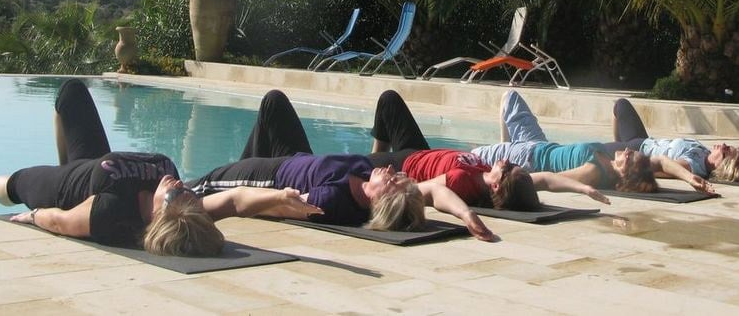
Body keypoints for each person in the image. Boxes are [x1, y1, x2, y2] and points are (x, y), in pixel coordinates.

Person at [0, 79, 234, 256]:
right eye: (188, 192)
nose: (178, 185)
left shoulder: (110, 213)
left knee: (2, 187)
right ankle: (65, 161)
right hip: (95, 163)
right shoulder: (172, 189)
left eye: (175, 195)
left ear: (156, 216)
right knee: (72, 90)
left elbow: (60, 221)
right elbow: (235, 201)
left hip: (64, 186)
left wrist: (33, 217)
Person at [185, 90, 495, 241]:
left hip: (268, 177)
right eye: (397, 175)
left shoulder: (329, 201)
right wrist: (467, 214)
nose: (391, 171)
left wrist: (269, 194)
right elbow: (436, 193)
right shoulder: (367, 181)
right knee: (274, 101)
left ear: (379, 200)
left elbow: (275, 204)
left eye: (392, 181)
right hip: (297, 158)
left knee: (193, 190)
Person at [367, 90, 609, 210]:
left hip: (405, 165)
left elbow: (426, 190)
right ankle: (375, 156)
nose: (506, 161)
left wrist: (466, 215)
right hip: (420, 152)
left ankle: (372, 164)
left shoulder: (464, 183)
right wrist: (584, 188)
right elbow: (545, 179)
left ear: (496, 185)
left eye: (507, 169)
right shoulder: (490, 175)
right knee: (389, 99)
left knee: (353, 166)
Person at [471, 90, 661, 195]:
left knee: (468, 158)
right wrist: (688, 176)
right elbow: (660, 162)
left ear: (624, 174)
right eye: (632, 152)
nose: (627, 150)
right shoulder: (607, 159)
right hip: (538, 143)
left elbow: (550, 179)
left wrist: (509, 180)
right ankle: (503, 147)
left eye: (630, 157)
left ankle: (503, 153)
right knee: (510, 97)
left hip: (527, 158)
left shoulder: (595, 172)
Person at [606, 98, 739, 183]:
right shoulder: (707, 155)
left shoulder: (693, 165)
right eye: (728, 147)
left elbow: (665, 168)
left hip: (634, 151)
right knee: (620, 105)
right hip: (642, 140)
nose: (723, 145)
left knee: (586, 151)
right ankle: (617, 143)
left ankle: (617, 148)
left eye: (724, 152)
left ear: (720, 166)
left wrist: (629, 168)